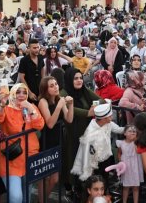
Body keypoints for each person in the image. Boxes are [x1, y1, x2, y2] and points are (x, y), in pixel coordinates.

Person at [0, 83, 44, 203]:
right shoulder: (6, 108)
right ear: (13, 93)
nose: (21, 95)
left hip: (30, 156)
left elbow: (40, 125)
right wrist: (2, 104)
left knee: (27, 195)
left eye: (24, 92)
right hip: (11, 158)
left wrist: (30, 108)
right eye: (18, 92)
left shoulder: (31, 107)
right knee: (16, 197)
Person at [60, 68, 101, 196]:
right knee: (71, 162)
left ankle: (83, 189)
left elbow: (101, 100)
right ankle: (71, 189)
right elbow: (68, 107)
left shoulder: (84, 91)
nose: (79, 81)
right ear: (69, 79)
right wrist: (88, 112)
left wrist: (97, 106)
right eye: (75, 78)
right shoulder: (63, 92)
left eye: (80, 78)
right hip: (72, 133)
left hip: (86, 132)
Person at [37, 76, 74, 203]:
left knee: (54, 179)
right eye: (51, 86)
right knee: (45, 177)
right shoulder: (43, 101)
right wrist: (59, 106)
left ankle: (43, 200)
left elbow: (69, 119)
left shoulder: (59, 99)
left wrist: (71, 104)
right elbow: (50, 124)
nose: (56, 87)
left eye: (56, 84)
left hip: (58, 142)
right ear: (45, 89)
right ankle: (42, 201)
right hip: (46, 142)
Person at [72, 103, 124, 182]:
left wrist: (133, 129)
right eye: (110, 116)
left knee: (104, 179)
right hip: (95, 163)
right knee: (95, 182)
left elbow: (119, 129)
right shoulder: (91, 133)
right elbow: (89, 155)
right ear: (103, 118)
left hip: (105, 158)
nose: (112, 117)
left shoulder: (108, 123)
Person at [116, 125, 143, 203]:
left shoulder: (137, 142)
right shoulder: (121, 143)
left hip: (135, 167)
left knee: (136, 187)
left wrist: (135, 141)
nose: (132, 133)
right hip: (126, 167)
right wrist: (120, 161)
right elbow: (119, 153)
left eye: (134, 131)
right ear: (125, 133)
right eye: (130, 131)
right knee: (126, 186)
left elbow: (138, 151)